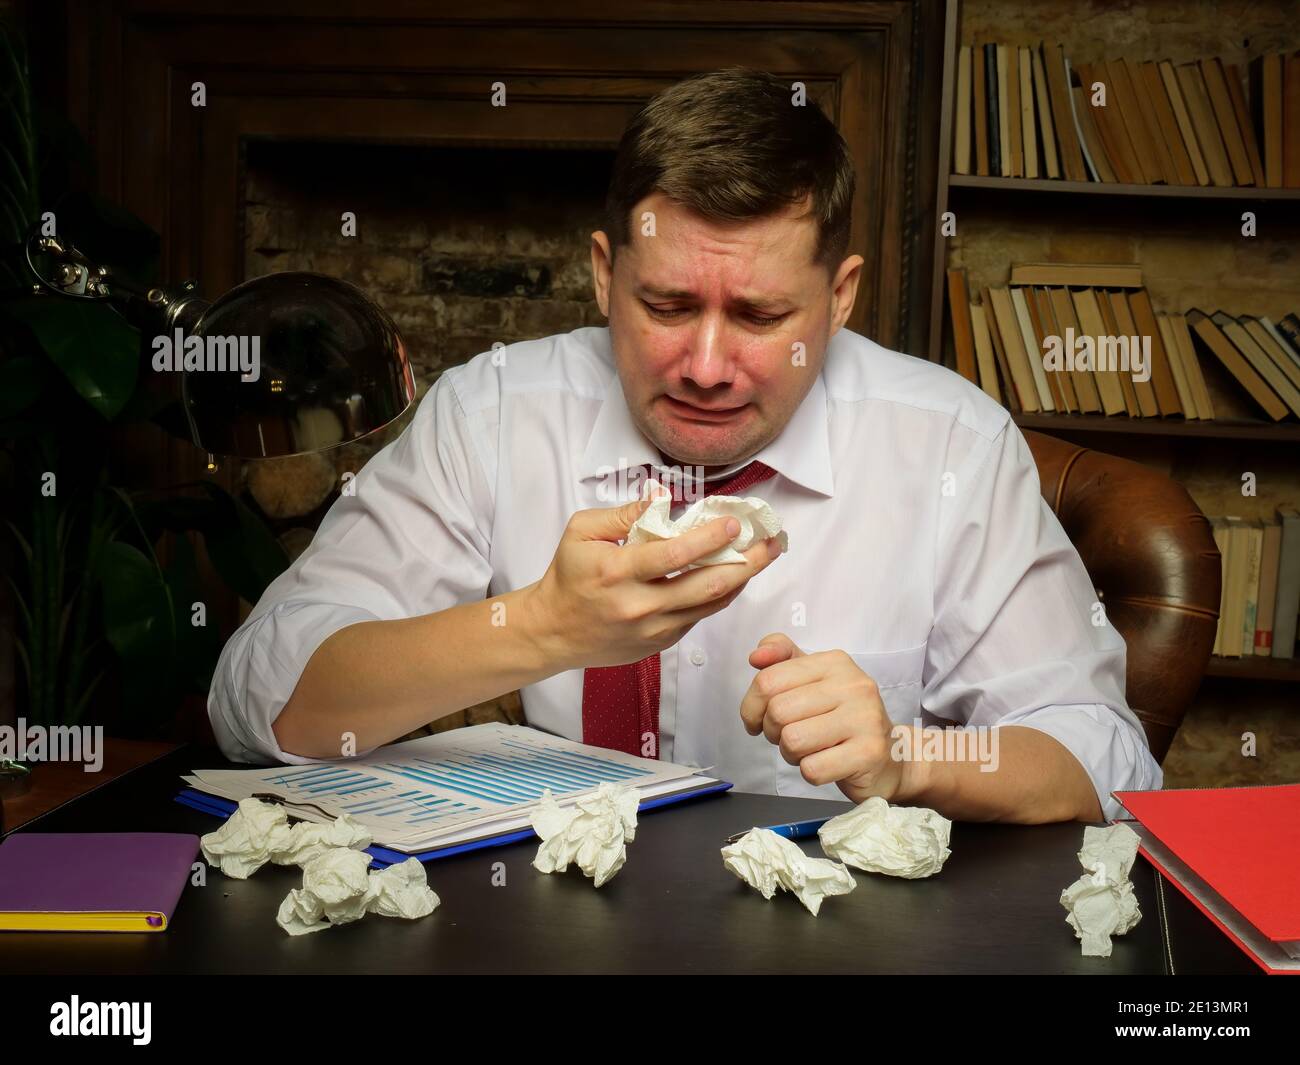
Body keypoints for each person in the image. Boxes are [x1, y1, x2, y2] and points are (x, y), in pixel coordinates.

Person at [209, 68, 1161, 824]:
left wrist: (912, 758)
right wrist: (540, 626)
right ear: (601, 275)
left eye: (759, 315)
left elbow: (1106, 760)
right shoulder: (491, 412)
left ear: (839, 298)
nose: (706, 366)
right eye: (666, 306)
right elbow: (258, 700)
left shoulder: (954, 445)